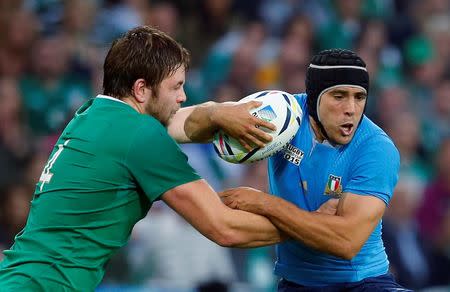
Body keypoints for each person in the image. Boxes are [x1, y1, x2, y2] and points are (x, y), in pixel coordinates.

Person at [0, 25, 285, 291]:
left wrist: (215, 112)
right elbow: (225, 228)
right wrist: (305, 226)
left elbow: (179, 123)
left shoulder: (91, 115)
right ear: (140, 89)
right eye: (176, 87)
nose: (183, 97)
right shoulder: (141, 135)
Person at [220, 49, 412, 291]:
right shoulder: (283, 115)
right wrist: (215, 115)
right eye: (339, 96)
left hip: (362, 282)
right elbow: (217, 125)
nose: (351, 109)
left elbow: (346, 241)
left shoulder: (376, 148)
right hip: (296, 283)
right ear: (313, 97)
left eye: (359, 97)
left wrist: (265, 204)